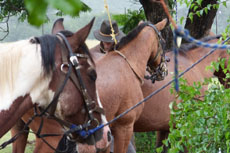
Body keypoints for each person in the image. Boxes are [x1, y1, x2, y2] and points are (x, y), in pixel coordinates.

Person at [93, 19, 136, 153]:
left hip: (121, 114)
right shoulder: (93, 55)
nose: (108, 44)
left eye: (110, 41)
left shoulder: (122, 56)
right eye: (105, 41)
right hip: (101, 111)